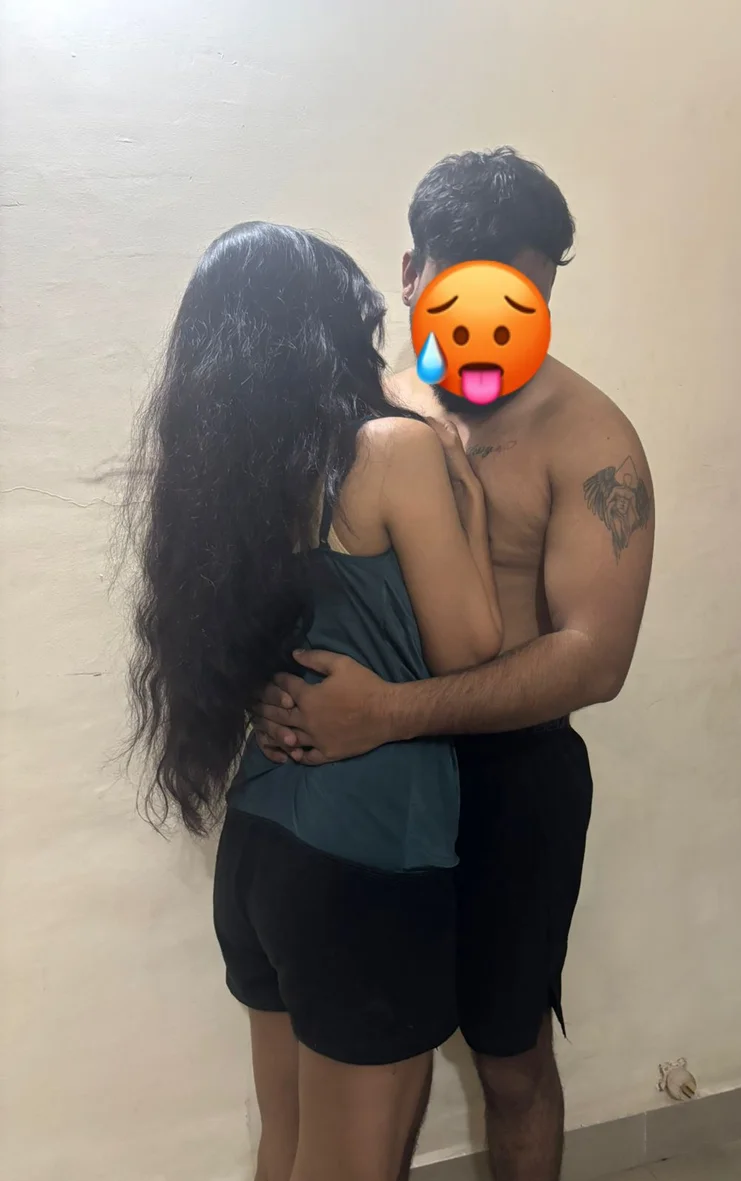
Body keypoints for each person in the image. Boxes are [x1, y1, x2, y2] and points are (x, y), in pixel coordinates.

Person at [251, 149, 655, 1181]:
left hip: (509, 779)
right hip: (366, 782)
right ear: (409, 275)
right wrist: (267, 687)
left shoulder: (589, 439)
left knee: (510, 1061)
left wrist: (389, 712)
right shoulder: (363, 413)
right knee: (381, 1059)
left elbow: (594, 659)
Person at [121, 221, 502, 1181]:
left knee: (287, 1146)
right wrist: (465, 484)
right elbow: (472, 647)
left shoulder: (236, 486)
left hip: (261, 848)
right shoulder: (391, 451)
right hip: (366, 853)